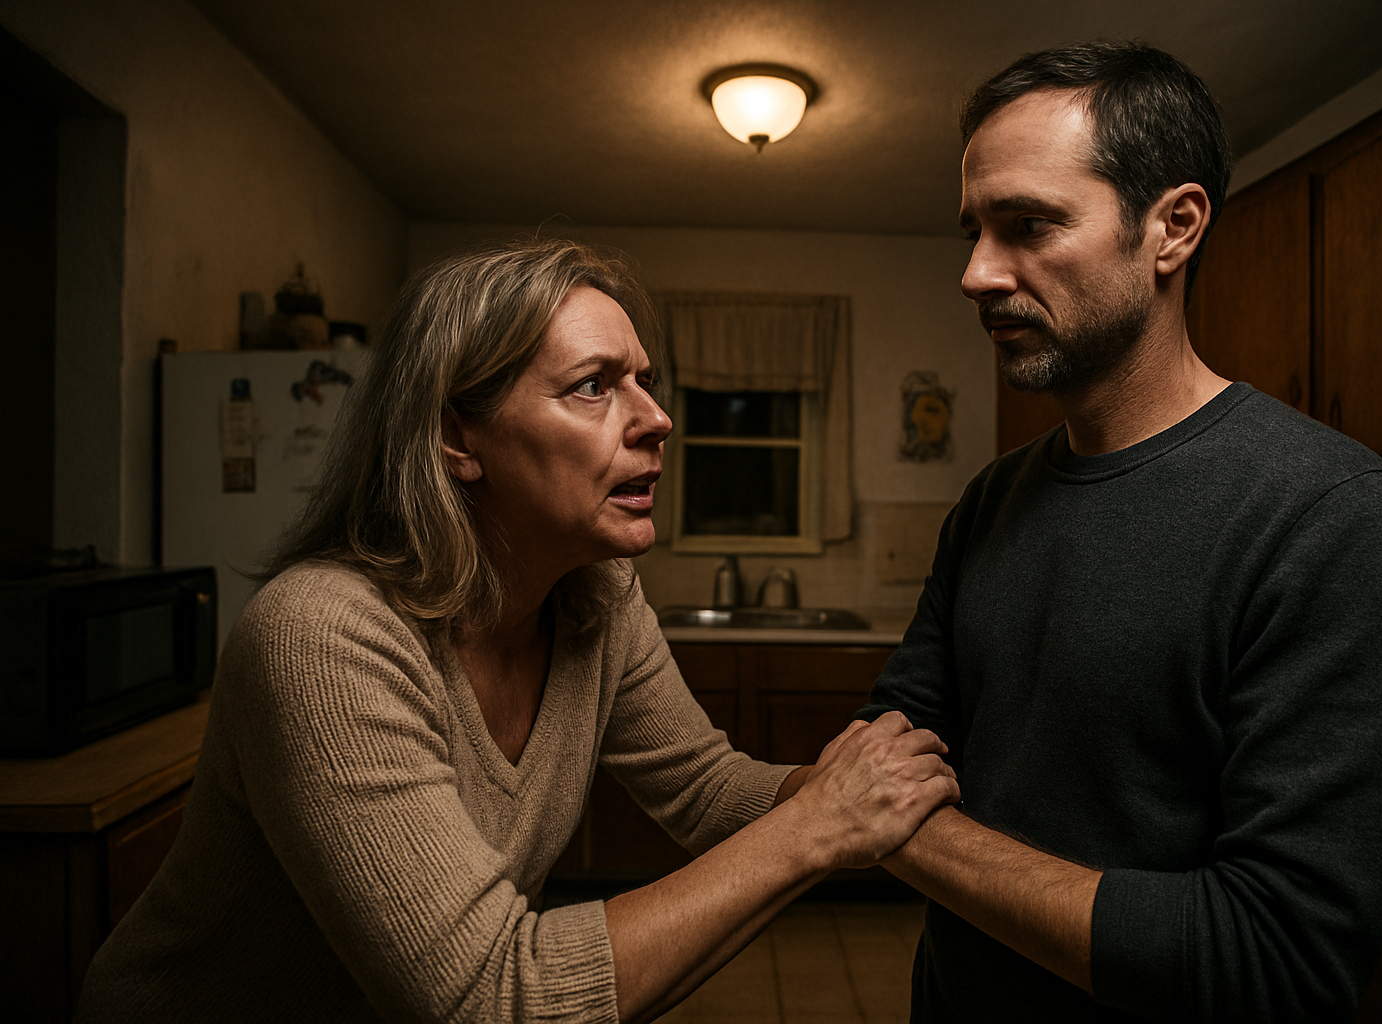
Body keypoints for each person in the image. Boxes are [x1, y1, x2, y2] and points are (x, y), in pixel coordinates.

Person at [76, 240, 960, 1023]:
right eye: (593, 386)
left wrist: (849, 787)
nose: (657, 417)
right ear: (459, 437)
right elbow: (495, 998)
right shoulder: (322, 637)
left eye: (644, 381)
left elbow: (703, 786)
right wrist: (821, 824)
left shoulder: (598, 597)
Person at [862, 42, 1382, 1022]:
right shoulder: (992, 502)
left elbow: (1276, 959)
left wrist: (899, 832)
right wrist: (870, 802)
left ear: (1172, 228)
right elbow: (882, 744)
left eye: (1029, 225)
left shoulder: (1332, 515)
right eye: (973, 231)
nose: (975, 273)